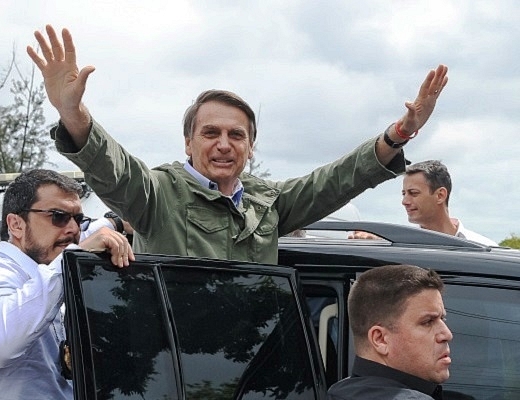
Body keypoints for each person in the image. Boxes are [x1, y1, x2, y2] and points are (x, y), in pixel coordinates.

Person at [27, 24, 449, 264]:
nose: (224, 144)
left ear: (251, 147)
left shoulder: (268, 203)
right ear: (188, 143)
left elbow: (336, 181)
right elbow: (112, 167)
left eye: (237, 135)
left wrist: (400, 133)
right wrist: (74, 114)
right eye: (211, 133)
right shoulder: (157, 195)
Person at [0, 169, 134, 399]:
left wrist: (116, 223)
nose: (74, 229)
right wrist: (73, 258)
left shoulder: (46, 277)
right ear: (16, 225)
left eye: (78, 219)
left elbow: (82, 234)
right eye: (58, 216)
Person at [327, 264, 452, 400]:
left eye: (442, 318)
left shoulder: (339, 392)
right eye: (427, 322)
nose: (447, 334)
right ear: (380, 339)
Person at [349, 160, 497, 245]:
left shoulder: (484, 247)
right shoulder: (400, 248)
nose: (404, 201)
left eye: (413, 193)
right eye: (403, 193)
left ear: (440, 195)